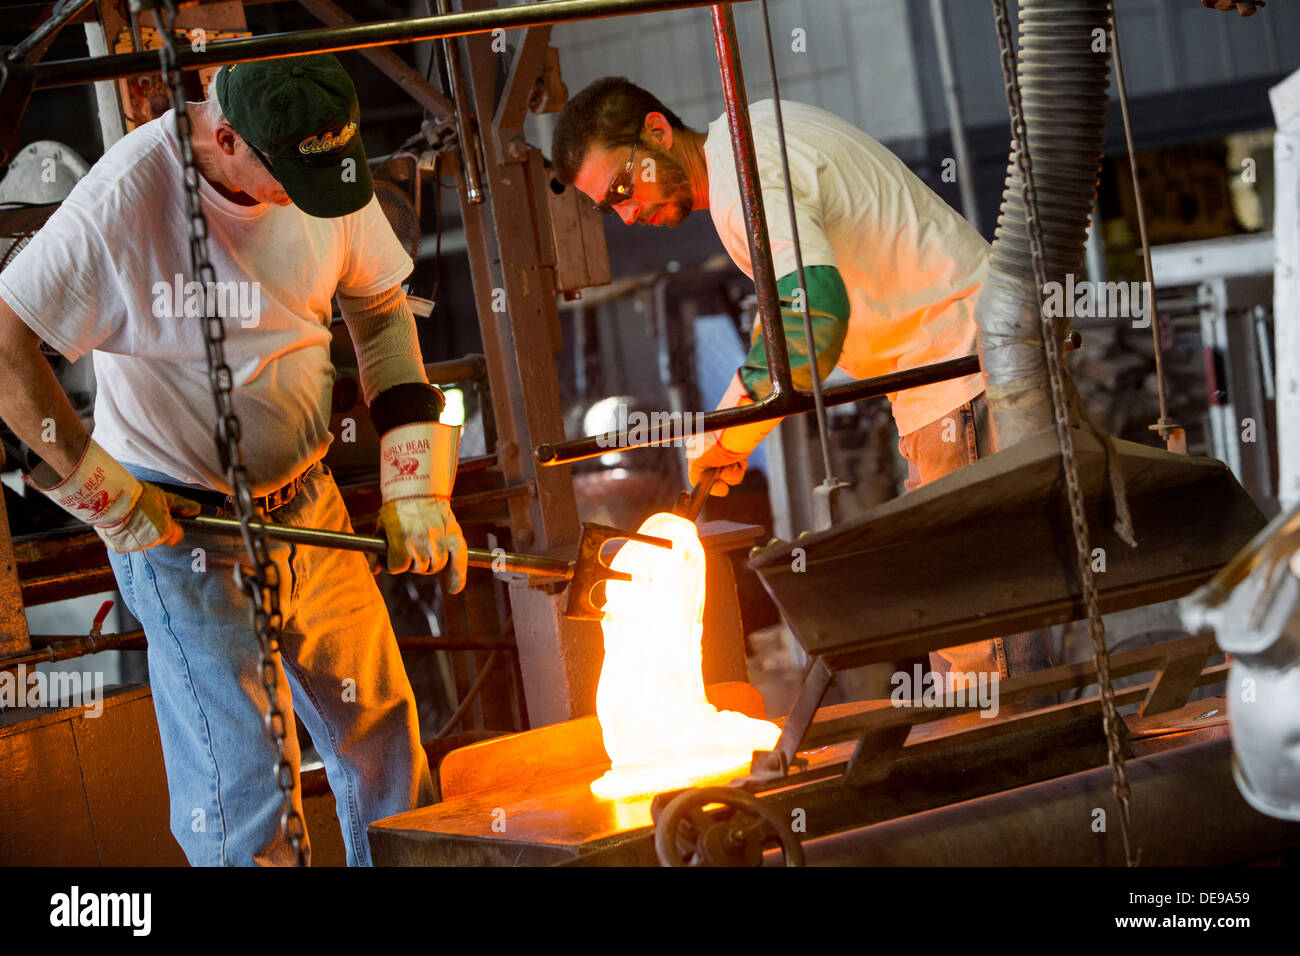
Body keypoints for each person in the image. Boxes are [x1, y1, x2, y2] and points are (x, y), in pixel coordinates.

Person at [0, 54, 466, 865]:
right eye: (291, 179)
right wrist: (101, 491)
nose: (310, 201)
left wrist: (414, 484)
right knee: (245, 794)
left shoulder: (322, 172)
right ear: (225, 138)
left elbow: (384, 315)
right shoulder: (127, 200)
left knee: (386, 746)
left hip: (311, 506)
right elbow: (6, 350)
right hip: (183, 537)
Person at [551, 77, 1049, 685]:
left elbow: (811, 317)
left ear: (658, 131)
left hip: (960, 373)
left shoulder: (741, 183)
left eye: (624, 186)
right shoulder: (753, 133)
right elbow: (785, 313)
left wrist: (733, 433)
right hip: (971, 362)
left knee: (983, 643)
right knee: (1000, 613)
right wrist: (728, 421)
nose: (627, 215)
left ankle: (1027, 769)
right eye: (609, 207)